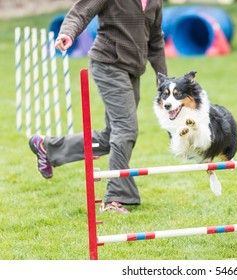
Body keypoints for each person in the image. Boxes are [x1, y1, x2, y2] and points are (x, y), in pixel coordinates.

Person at [28, 0, 168, 213]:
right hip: (108, 64)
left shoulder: (155, 2)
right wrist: (67, 33)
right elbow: (81, 12)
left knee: (112, 135)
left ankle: (49, 147)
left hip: (132, 70)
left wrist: (163, 78)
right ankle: (114, 199)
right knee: (126, 129)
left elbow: (156, 40)